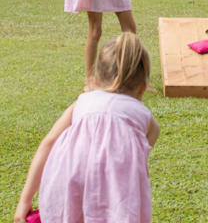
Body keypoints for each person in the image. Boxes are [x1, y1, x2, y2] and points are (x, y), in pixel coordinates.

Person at [14, 32, 161, 223]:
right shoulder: (146, 117)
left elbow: (49, 142)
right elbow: (134, 164)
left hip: (68, 178)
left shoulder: (83, 101)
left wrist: (24, 199)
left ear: (96, 81)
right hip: (115, 193)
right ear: (143, 87)